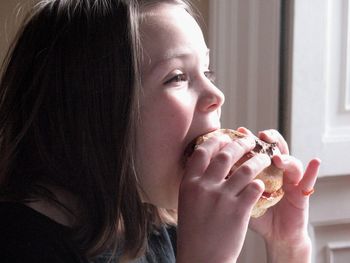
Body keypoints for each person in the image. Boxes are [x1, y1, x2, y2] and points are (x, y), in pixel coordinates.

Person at [0, 0, 321, 262]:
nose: (216, 96)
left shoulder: (154, 226)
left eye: (207, 71)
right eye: (177, 76)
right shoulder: (19, 245)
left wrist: (288, 247)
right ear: (92, 111)